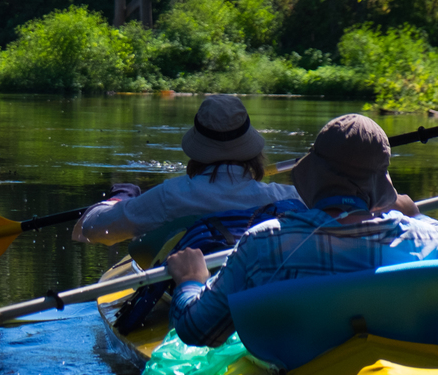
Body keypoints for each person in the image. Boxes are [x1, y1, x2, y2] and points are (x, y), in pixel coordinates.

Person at [168, 113, 434, 347]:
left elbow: (197, 330)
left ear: (315, 174)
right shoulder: (426, 237)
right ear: (380, 186)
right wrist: (415, 215)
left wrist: (191, 281)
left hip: (300, 371)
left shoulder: (264, 242)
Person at [73, 94, 301, 246]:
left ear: (197, 148)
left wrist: (119, 199)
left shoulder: (170, 196)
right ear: (252, 150)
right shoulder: (288, 198)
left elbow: (92, 228)